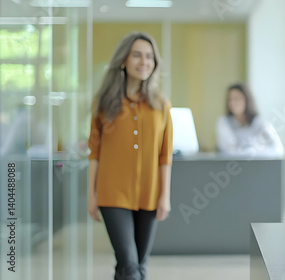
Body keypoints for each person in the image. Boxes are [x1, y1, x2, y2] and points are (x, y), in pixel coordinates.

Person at [87, 32, 172, 280]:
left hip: (149, 193)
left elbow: (165, 155)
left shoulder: (161, 105)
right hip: (112, 194)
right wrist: (91, 195)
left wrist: (165, 196)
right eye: (137, 55)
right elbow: (95, 152)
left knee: (136, 266)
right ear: (123, 60)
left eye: (149, 57)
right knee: (130, 265)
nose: (143, 61)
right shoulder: (103, 103)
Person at [216, 83, 283, 157]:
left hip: (258, 166)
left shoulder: (259, 122)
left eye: (236, 99)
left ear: (246, 100)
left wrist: (249, 151)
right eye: (230, 99)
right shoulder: (224, 122)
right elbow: (228, 151)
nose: (232, 103)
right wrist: (255, 148)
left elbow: (277, 150)